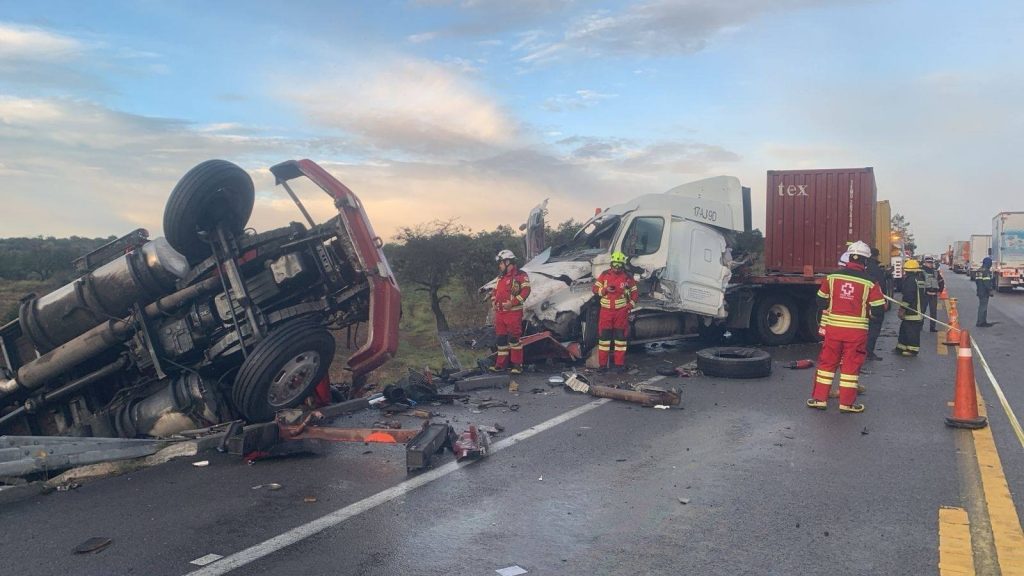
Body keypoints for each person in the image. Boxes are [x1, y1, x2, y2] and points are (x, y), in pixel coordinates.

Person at [807, 241, 885, 413]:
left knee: (827, 363)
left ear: (849, 257)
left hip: (833, 329)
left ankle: (819, 399)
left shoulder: (832, 277)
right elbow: (878, 309)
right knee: (850, 366)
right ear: (865, 261)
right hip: (856, 333)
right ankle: (846, 403)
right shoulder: (871, 282)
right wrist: (869, 312)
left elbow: (821, 301)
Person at [592, 251, 639, 373]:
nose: (616, 267)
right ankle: (603, 366)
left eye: (619, 265)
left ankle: (619, 365)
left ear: (623, 265)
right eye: (614, 264)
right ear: (611, 264)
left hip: (621, 313)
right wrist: (605, 290)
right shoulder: (604, 275)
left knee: (620, 340)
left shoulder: (627, 277)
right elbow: (595, 289)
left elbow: (634, 293)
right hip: (605, 313)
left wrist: (629, 306)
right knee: (604, 340)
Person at [490, 249, 531, 374]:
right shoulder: (500, 277)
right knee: (501, 340)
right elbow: (495, 291)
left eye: (501, 263)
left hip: (513, 313)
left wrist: (512, 303)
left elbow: (526, 292)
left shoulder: (521, 275)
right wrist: (493, 301)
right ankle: (500, 365)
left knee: (514, 340)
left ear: (508, 262)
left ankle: (517, 366)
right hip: (500, 314)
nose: (500, 266)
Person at [895, 259, 925, 356]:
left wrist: (902, 309)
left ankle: (913, 350)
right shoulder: (919, 279)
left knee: (912, 331)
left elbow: (908, 296)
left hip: (912, 311)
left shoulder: (910, 280)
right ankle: (901, 347)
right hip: (918, 310)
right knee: (904, 329)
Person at [865, 247, 888, 361]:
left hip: (861, 302)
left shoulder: (863, 268)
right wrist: (884, 302)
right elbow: (881, 287)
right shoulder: (876, 270)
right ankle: (868, 352)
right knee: (874, 327)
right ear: (876, 256)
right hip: (874, 302)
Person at [921, 256, 945, 332]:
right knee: (922, 311)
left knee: (933, 312)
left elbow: (941, 281)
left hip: (934, 295)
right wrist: (923, 292)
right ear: (925, 263)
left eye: (931, 262)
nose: (930, 264)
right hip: (924, 295)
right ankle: (919, 326)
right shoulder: (921, 272)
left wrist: (940, 291)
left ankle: (932, 327)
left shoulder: (935, 272)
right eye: (928, 262)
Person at [975, 256, 996, 327]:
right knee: (983, 307)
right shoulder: (986, 271)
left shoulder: (979, 270)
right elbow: (987, 283)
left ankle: (982, 321)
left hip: (979, 291)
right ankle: (981, 322)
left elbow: (977, 281)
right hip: (984, 292)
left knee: (982, 306)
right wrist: (990, 290)